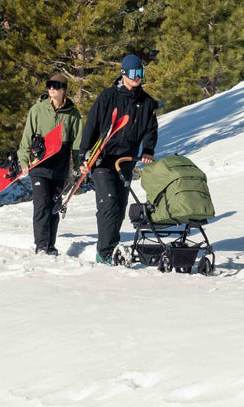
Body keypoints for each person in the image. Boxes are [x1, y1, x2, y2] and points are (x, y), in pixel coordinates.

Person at [77, 54, 159, 264]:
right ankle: (105, 252)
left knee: (120, 208)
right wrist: (83, 156)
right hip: (103, 160)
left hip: (125, 162)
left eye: (141, 73)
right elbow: (91, 126)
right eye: (134, 73)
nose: (138, 77)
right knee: (109, 204)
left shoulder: (147, 103)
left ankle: (111, 247)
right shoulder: (108, 96)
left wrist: (148, 149)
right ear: (123, 74)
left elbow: (151, 129)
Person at [15, 74, 83, 255]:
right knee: (41, 204)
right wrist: (23, 161)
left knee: (54, 205)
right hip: (39, 165)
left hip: (60, 168)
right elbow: (26, 139)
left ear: (64, 90)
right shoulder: (37, 110)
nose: (52, 88)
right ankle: (41, 246)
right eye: (49, 85)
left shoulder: (73, 114)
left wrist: (78, 167)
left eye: (57, 85)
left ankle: (51, 246)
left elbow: (77, 144)